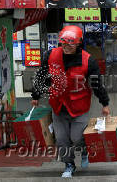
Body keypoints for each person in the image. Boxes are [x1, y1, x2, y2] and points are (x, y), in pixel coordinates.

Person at [31, 25, 110, 178]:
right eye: (64, 43)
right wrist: (35, 96)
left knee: (77, 137)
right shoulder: (50, 55)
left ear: (79, 42)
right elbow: (41, 76)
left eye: (70, 43)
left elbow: (97, 84)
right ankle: (69, 164)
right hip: (58, 105)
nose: (66, 46)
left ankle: (84, 149)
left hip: (79, 106)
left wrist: (104, 103)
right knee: (61, 139)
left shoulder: (88, 61)